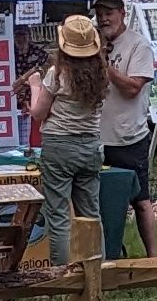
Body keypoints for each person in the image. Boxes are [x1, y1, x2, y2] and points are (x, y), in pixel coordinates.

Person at [28, 14, 107, 263]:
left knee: (59, 216)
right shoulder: (102, 74)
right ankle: (97, 271)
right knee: (91, 214)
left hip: (59, 146)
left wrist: (34, 86)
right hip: (90, 145)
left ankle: (61, 275)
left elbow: (38, 113)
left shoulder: (57, 73)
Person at [91, 0, 157, 256]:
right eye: (99, 15)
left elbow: (133, 88)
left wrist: (105, 66)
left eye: (109, 13)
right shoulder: (94, 43)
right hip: (97, 137)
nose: (103, 19)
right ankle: (111, 252)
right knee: (101, 201)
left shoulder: (138, 45)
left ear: (122, 13)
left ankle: (153, 259)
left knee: (140, 200)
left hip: (128, 137)